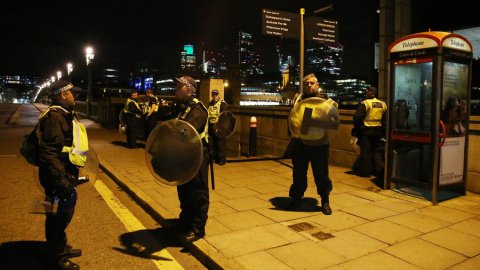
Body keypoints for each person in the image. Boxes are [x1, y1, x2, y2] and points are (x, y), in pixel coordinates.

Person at [38, 80, 88, 270]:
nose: (75, 96)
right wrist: (60, 180)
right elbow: (49, 152)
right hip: (57, 177)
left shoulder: (64, 115)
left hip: (64, 173)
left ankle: (60, 247)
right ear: (63, 94)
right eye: (72, 93)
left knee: (60, 215)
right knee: (57, 217)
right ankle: (55, 258)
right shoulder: (55, 117)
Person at [288, 73, 337, 215]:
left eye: (312, 83)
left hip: (319, 143)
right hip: (300, 143)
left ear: (317, 85)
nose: (309, 85)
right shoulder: (299, 99)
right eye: (307, 83)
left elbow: (334, 118)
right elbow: (291, 117)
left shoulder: (326, 100)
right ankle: (296, 199)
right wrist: (291, 133)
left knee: (321, 174)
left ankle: (325, 201)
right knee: (298, 174)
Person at [171, 76, 210, 241]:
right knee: (184, 191)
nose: (175, 89)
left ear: (189, 90)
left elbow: (187, 130)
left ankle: (198, 228)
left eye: (179, 86)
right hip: (185, 155)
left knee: (198, 192)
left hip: (198, 155)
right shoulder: (181, 107)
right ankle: (185, 223)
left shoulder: (198, 109)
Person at [353, 86, 387, 178]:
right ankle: (380, 170)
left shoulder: (365, 103)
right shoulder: (383, 104)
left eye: (366, 91)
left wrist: (358, 128)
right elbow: (385, 119)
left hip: (366, 131)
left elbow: (357, 117)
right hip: (378, 131)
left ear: (370, 93)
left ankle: (366, 172)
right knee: (376, 151)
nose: (365, 93)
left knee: (366, 151)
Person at [207, 89, 228, 165]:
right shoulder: (211, 103)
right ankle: (214, 158)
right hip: (211, 125)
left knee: (220, 143)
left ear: (218, 95)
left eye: (215, 94)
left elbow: (224, 115)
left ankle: (222, 159)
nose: (214, 96)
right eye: (213, 94)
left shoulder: (222, 103)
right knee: (211, 143)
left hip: (219, 126)